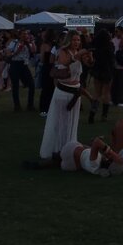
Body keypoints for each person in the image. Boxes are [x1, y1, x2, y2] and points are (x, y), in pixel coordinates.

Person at [37, 32, 90, 165]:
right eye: (74, 40)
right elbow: (63, 64)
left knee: (72, 122)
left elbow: (89, 64)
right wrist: (76, 57)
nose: (76, 42)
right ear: (69, 40)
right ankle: (57, 149)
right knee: (60, 121)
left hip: (75, 92)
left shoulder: (79, 53)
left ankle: (69, 147)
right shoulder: (63, 51)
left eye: (78, 40)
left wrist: (89, 55)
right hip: (63, 92)